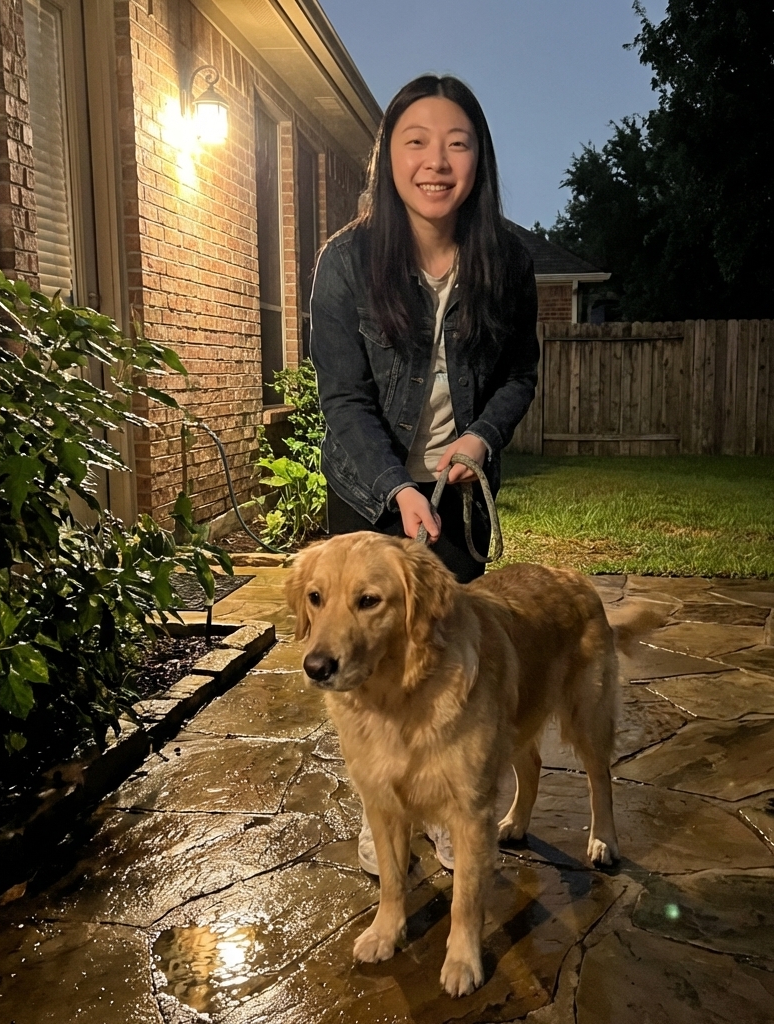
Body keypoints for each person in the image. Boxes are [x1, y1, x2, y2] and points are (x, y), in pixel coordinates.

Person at [308, 74, 539, 873]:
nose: (435, 161)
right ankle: (388, 819)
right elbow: (342, 397)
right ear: (388, 156)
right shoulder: (345, 261)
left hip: (456, 498)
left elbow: (519, 375)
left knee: (447, 662)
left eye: (456, 142)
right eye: (416, 140)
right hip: (369, 490)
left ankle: (453, 803)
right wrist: (393, 490)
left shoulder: (505, 259)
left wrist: (479, 440)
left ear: (479, 157)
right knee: (366, 670)